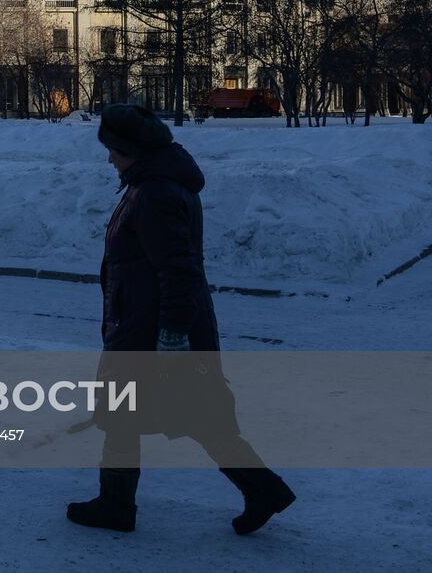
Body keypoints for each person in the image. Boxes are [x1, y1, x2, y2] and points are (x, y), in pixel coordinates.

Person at [67, 103, 295, 535]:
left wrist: (171, 336)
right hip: (146, 324)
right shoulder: (152, 186)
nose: (109, 157)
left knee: (143, 414)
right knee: (186, 415)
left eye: (114, 149)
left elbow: (178, 270)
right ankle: (262, 489)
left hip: (152, 330)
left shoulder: (154, 194)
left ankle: (117, 507)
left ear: (133, 149)